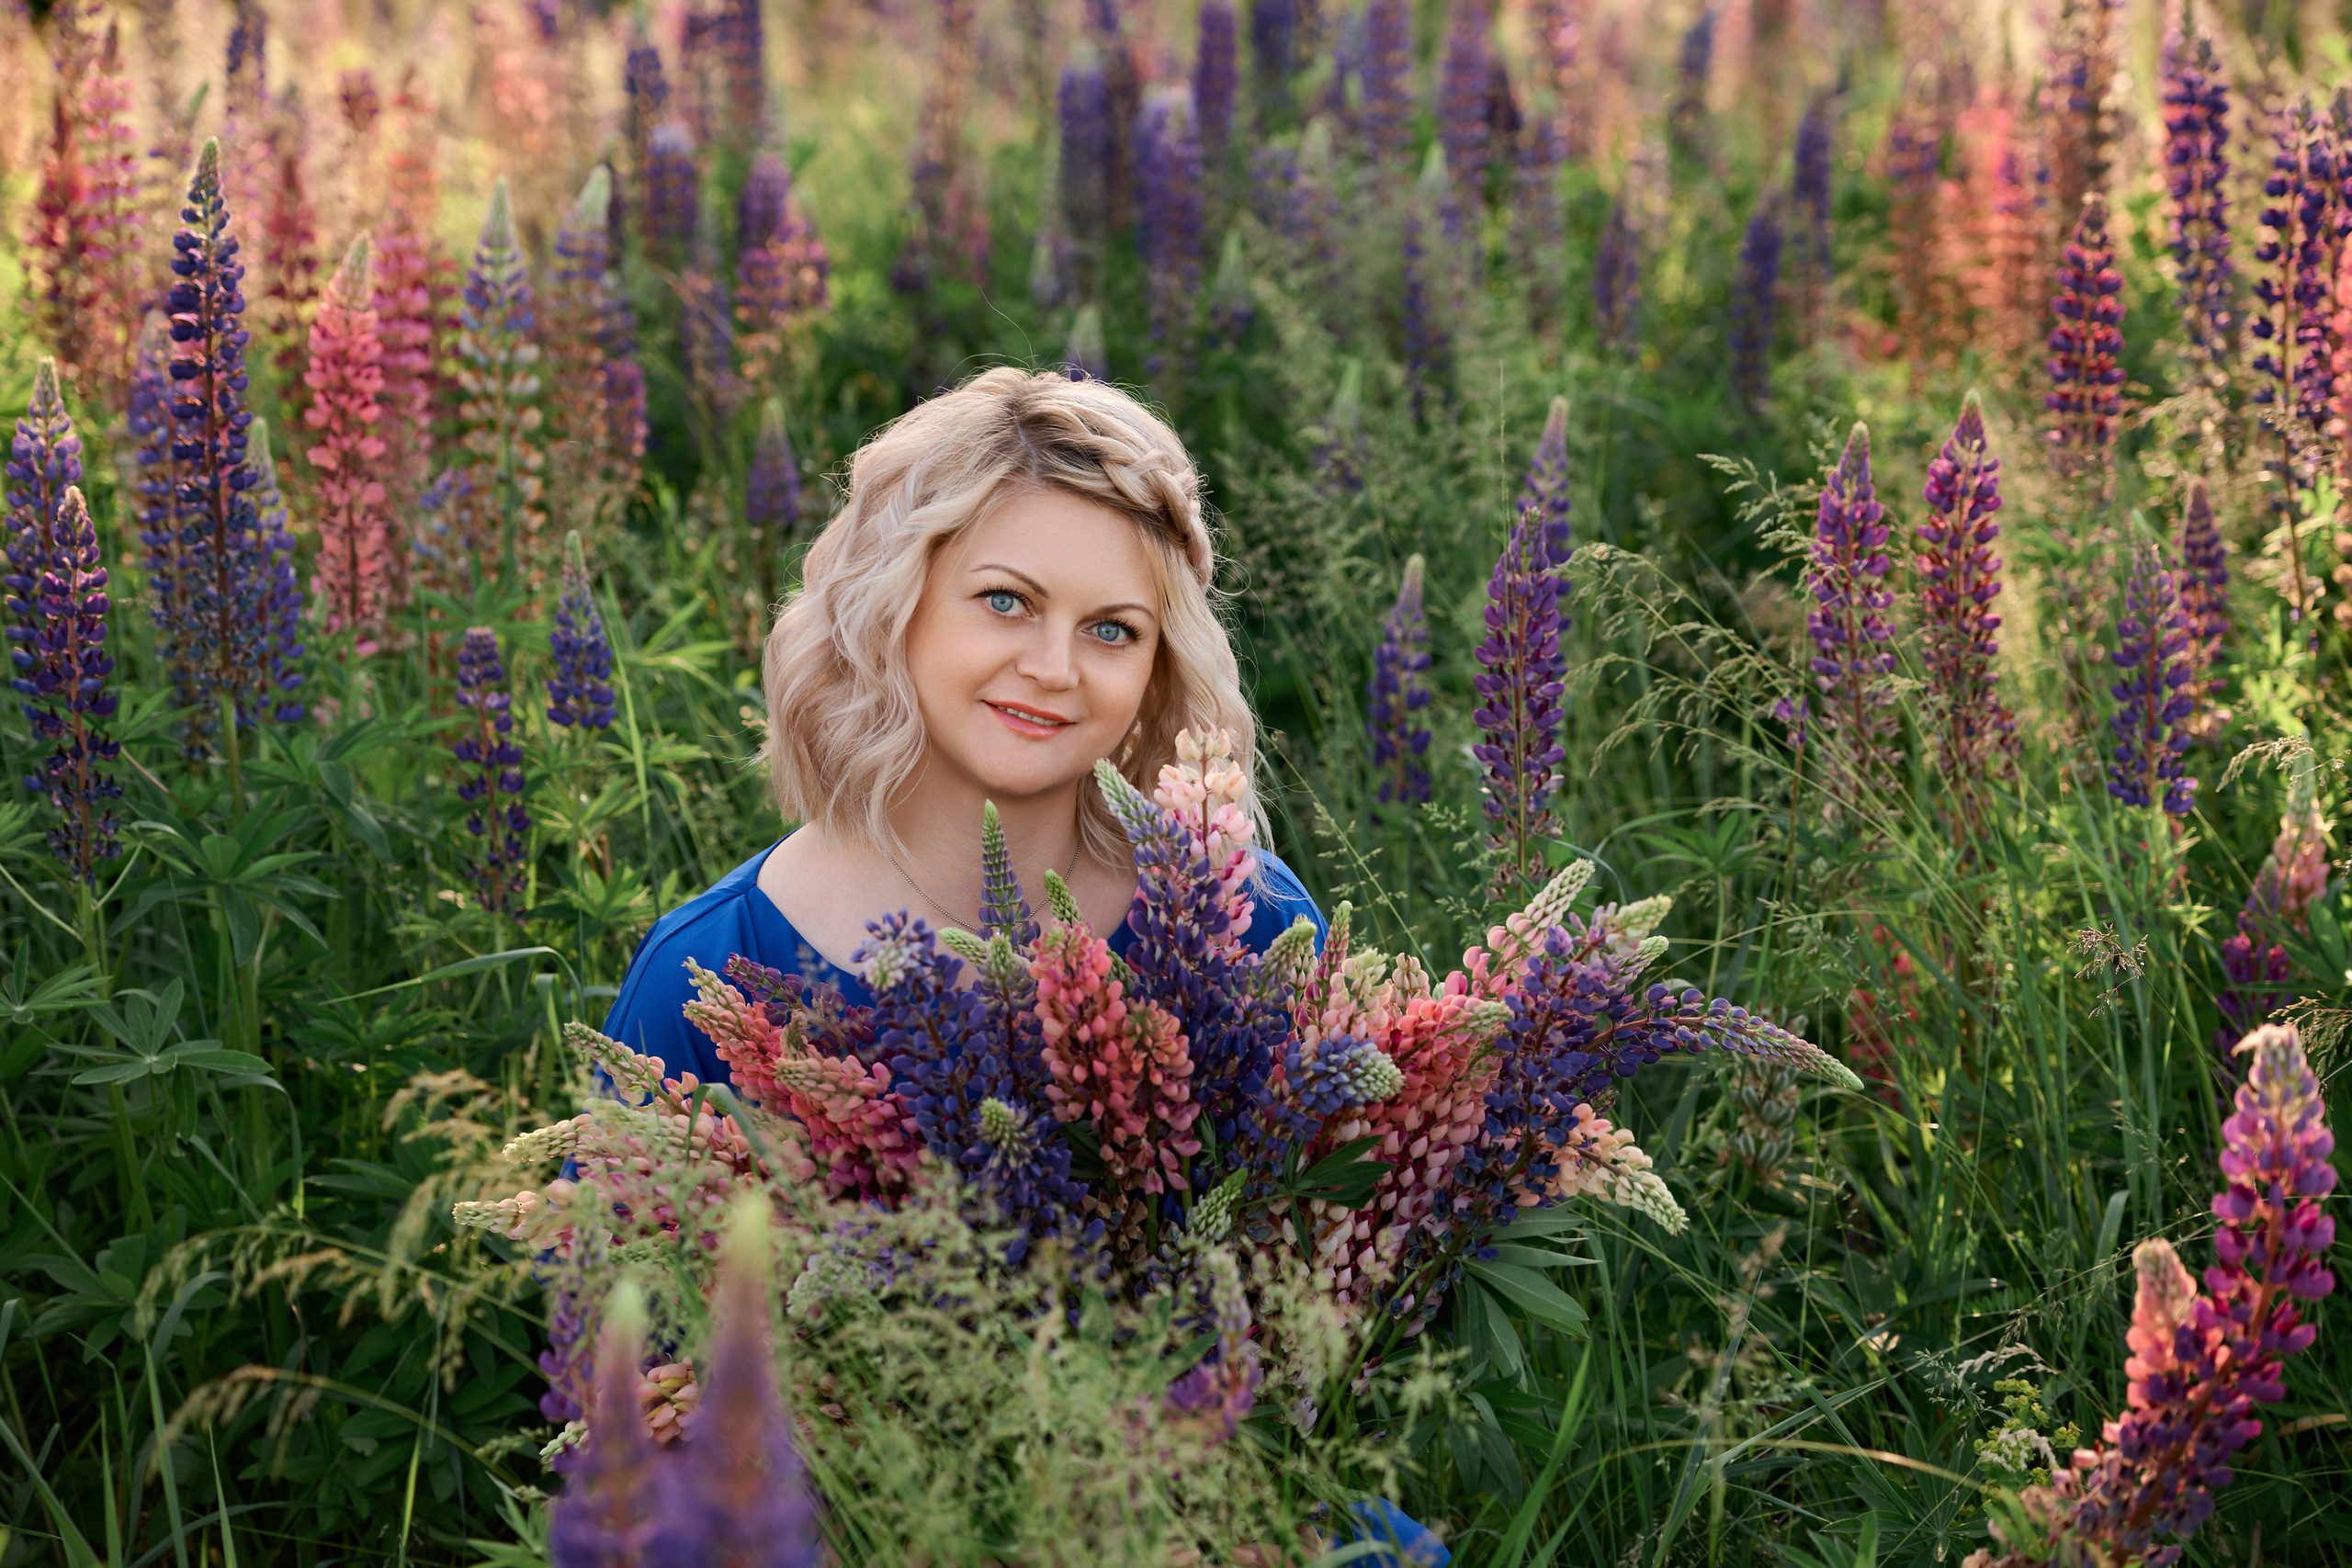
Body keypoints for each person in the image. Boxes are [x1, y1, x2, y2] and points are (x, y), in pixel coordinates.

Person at [599, 367, 1327, 1083]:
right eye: (1006, 600)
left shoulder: (1247, 923)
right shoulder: (705, 975)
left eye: (1111, 629)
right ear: (890, 606)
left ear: (1157, 666)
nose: (1053, 668)